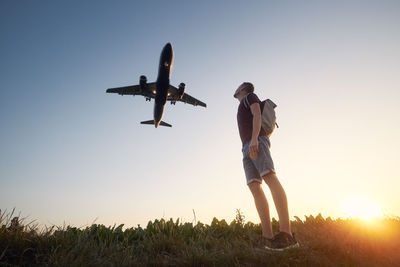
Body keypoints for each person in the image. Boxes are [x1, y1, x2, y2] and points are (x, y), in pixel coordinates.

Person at [234, 82, 299, 250]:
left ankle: (287, 235)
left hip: (256, 142)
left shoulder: (250, 97)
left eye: (238, 86)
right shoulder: (242, 104)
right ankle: (267, 237)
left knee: (269, 177)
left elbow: (257, 115)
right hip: (246, 147)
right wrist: (247, 145)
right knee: (254, 187)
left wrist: (255, 138)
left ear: (243, 88)